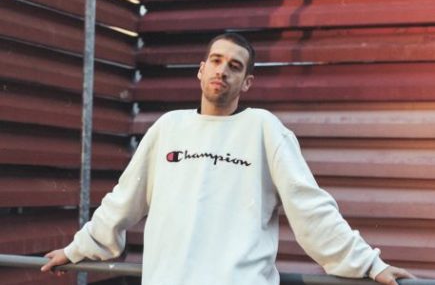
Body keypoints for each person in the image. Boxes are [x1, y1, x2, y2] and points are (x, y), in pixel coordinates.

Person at [42, 33, 414, 285]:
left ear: (247, 82)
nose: (222, 70)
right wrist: (77, 249)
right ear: (201, 69)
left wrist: (369, 264)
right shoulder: (168, 127)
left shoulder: (264, 129)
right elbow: (123, 201)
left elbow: (311, 210)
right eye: (216, 61)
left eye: (235, 66)